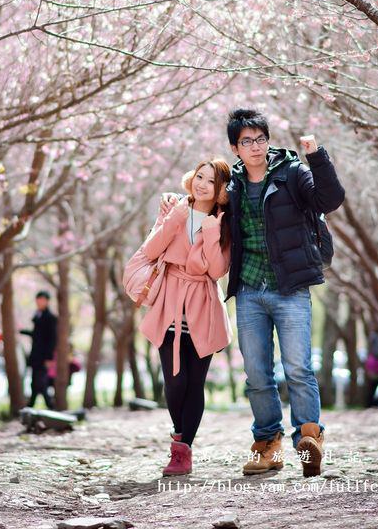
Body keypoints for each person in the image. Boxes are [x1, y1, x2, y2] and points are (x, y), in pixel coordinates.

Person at [162, 109, 345, 477]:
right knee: (258, 375)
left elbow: (329, 199)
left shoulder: (293, 173)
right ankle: (268, 447)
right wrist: (174, 201)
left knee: (297, 368)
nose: (256, 146)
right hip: (248, 290)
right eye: (247, 141)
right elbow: (203, 201)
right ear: (236, 147)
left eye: (261, 138)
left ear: (267, 140)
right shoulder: (234, 187)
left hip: (290, 287)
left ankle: (309, 442)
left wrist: (317, 156)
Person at [138, 158, 233, 476]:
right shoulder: (174, 207)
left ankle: (182, 450)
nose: (202, 183)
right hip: (169, 302)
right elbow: (151, 250)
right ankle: (180, 436)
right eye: (199, 176)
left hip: (203, 306)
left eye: (211, 181)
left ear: (220, 190)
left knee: (195, 384)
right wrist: (175, 218)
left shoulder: (223, 221)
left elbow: (217, 271)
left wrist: (210, 234)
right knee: (174, 383)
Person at [20, 291, 58, 409]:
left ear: (46, 301)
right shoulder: (38, 315)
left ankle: (47, 406)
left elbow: (52, 339)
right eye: (38, 300)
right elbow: (37, 335)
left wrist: (49, 357)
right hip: (36, 354)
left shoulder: (50, 318)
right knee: (35, 382)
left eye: (41, 300)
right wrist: (22, 331)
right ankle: (33, 406)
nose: (39, 302)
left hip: (43, 355)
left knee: (41, 382)